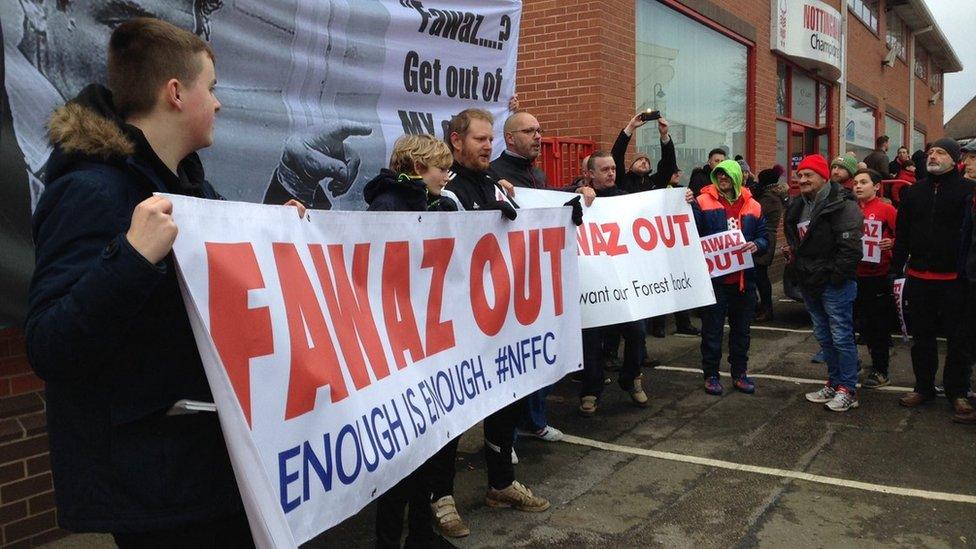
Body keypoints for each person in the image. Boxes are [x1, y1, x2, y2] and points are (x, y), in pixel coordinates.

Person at [25, 18, 306, 546]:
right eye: (212, 88)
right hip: (157, 490)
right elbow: (49, 344)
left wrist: (275, 229)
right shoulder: (91, 192)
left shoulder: (187, 188)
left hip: (210, 467)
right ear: (176, 92)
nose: (218, 104)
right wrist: (131, 258)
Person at [442, 108, 552, 514]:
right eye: (479, 139)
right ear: (457, 141)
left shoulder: (494, 185)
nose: (489, 146)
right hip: (458, 325)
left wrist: (566, 218)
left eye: (491, 139)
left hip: (499, 321)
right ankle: (441, 498)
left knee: (505, 401)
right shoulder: (447, 191)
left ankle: (501, 483)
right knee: (451, 413)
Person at [363, 135, 464, 546]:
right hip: (399, 345)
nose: (446, 174)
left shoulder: (432, 203)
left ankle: (421, 535)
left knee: (426, 451)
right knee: (400, 465)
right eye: (441, 167)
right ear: (419, 166)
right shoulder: (387, 206)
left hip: (425, 341)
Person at [890, 138, 975, 420]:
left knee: (959, 339)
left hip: (956, 279)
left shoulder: (968, 191)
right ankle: (923, 387)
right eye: (930, 153)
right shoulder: (914, 193)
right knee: (922, 337)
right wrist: (896, 268)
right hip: (919, 278)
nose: (933, 156)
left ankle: (957, 392)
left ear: (954, 159)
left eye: (940, 152)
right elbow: (902, 235)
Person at [783, 154, 863, 412]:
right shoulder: (798, 205)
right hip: (809, 281)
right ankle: (834, 382)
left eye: (809, 175)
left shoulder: (843, 203)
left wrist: (835, 277)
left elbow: (850, 248)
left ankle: (848, 389)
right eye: (800, 175)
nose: (802, 179)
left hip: (833, 282)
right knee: (825, 337)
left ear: (823, 177)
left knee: (841, 336)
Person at [577, 151, 652, 417]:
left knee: (637, 333)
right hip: (593, 284)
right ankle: (591, 390)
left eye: (613, 168)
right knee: (592, 341)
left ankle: (631, 378)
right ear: (590, 174)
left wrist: (683, 200)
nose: (611, 173)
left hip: (623, 284)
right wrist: (578, 192)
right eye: (605, 169)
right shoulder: (578, 198)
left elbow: (654, 210)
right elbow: (554, 198)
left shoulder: (624, 198)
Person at [691, 160, 768, 395]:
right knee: (712, 331)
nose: (723, 178)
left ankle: (740, 373)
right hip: (715, 280)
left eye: (727, 174)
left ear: (737, 176)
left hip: (744, 280)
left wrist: (757, 245)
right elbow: (691, 232)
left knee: (741, 331)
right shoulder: (701, 202)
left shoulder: (754, 205)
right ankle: (711, 375)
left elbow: (764, 236)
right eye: (719, 174)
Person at [851, 169, 897, 388]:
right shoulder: (849, 210)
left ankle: (881, 370)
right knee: (853, 324)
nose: (858, 186)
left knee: (877, 325)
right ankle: (854, 365)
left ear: (877, 186)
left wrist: (893, 244)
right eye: (855, 183)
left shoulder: (887, 210)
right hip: (852, 275)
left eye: (863, 182)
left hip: (877, 276)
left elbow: (904, 236)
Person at [610, 111, 678, 193]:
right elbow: (617, 156)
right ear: (631, 166)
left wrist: (664, 135)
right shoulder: (622, 180)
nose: (643, 162)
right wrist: (630, 127)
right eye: (639, 160)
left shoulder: (654, 182)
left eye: (647, 161)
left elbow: (668, 164)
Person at [751, 165, 786, 321]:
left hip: (765, 238)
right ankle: (763, 307)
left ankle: (766, 309)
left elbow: (755, 214)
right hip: (766, 236)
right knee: (759, 275)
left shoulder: (769, 198)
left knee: (761, 276)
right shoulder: (772, 195)